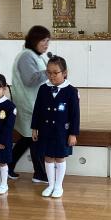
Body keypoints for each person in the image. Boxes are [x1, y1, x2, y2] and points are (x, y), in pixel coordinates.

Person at [31, 55, 80, 198]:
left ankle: (58, 186)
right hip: (45, 130)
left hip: (62, 132)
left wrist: (73, 134)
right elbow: (37, 110)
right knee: (48, 157)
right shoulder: (43, 89)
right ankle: (50, 185)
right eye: (48, 72)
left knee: (59, 158)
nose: (51, 76)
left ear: (64, 73)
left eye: (55, 73)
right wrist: (34, 128)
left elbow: (75, 115)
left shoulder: (71, 91)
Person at [8, 25, 51, 183]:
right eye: (43, 41)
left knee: (28, 138)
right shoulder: (26, 56)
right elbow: (30, 79)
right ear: (34, 40)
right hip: (27, 104)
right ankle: (39, 173)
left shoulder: (35, 55)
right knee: (33, 138)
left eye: (48, 41)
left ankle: (10, 166)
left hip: (32, 103)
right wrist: (50, 72)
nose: (46, 45)